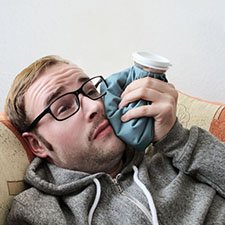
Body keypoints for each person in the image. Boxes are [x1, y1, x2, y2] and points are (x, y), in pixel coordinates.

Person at [5, 55, 225, 225]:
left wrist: (176, 139)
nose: (96, 106)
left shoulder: (175, 154)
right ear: (38, 144)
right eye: (63, 106)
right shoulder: (38, 212)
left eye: (91, 91)